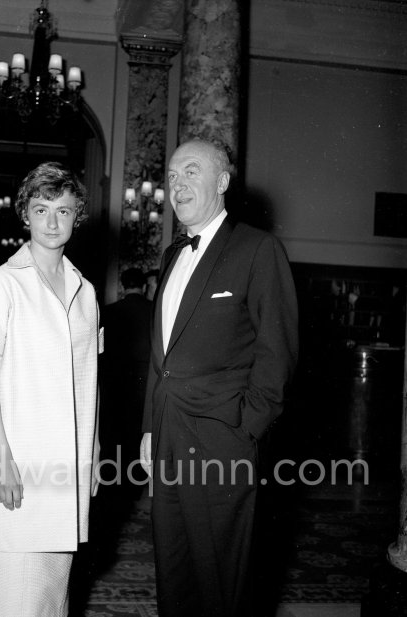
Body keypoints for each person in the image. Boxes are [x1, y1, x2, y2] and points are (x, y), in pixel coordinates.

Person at [139, 139, 298, 617]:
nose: (177, 184)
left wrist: (245, 428)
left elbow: (279, 352)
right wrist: (150, 427)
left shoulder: (257, 248)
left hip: (221, 439)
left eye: (191, 171)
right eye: (171, 175)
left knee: (221, 581)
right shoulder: (172, 255)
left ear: (223, 182)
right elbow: (160, 356)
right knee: (174, 570)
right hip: (168, 437)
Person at [0, 162, 100, 617]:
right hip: (14, 460)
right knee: (12, 599)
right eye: (41, 210)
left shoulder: (86, 292)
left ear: (77, 215)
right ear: (25, 215)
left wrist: (93, 449)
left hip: (63, 469)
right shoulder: (0, 285)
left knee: (49, 599)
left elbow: (87, 380)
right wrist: (1, 459)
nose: (52, 222)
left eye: (63, 210)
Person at [100, 267, 151, 497]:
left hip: (115, 383)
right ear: (145, 286)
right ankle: (137, 482)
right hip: (144, 384)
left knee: (116, 435)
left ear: (122, 285)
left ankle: (116, 485)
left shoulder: (109, 311)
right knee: (138, 436)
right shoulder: (154, 310)